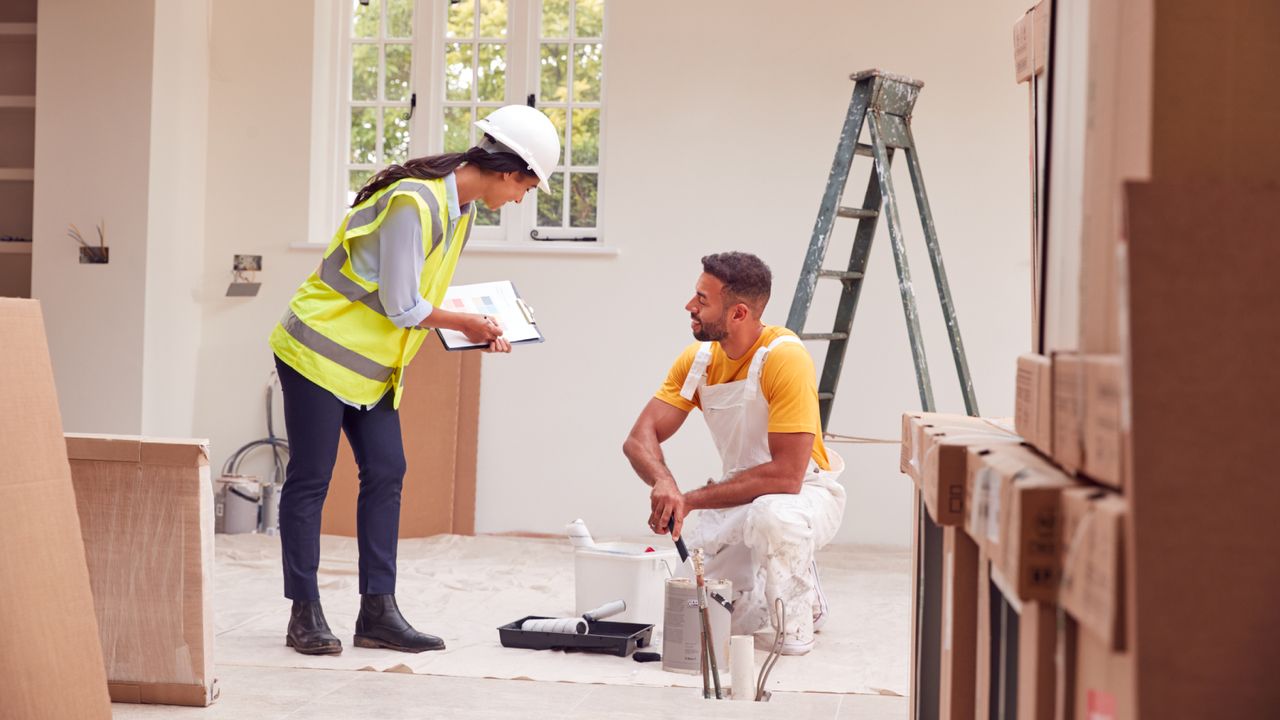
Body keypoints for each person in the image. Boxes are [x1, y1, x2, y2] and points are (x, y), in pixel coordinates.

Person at [268, 105, 560, 655]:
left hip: (369, 365)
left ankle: (377, 612)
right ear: (507, 169)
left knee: (386, 470)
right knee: (312, 477)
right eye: (527, 186)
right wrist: (464, 322)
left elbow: (415, 292)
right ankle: (303, 612)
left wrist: (478, 326)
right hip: (316, 349)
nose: (522, 199)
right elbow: (404, 305)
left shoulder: (461, 210)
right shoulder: (413, 201)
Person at [622, 252, 846, 655]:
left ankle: (799, 615)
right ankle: (774, 576)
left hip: (804, 496)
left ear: (739, 313)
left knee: (772, 517)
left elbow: (786, 477)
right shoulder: (699, 361)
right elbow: (640, 438)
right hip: (740, 494)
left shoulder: (785, 358)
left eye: (702, 300)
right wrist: (665, 484)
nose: (690, 307)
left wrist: (688, 500)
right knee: (703, 620)